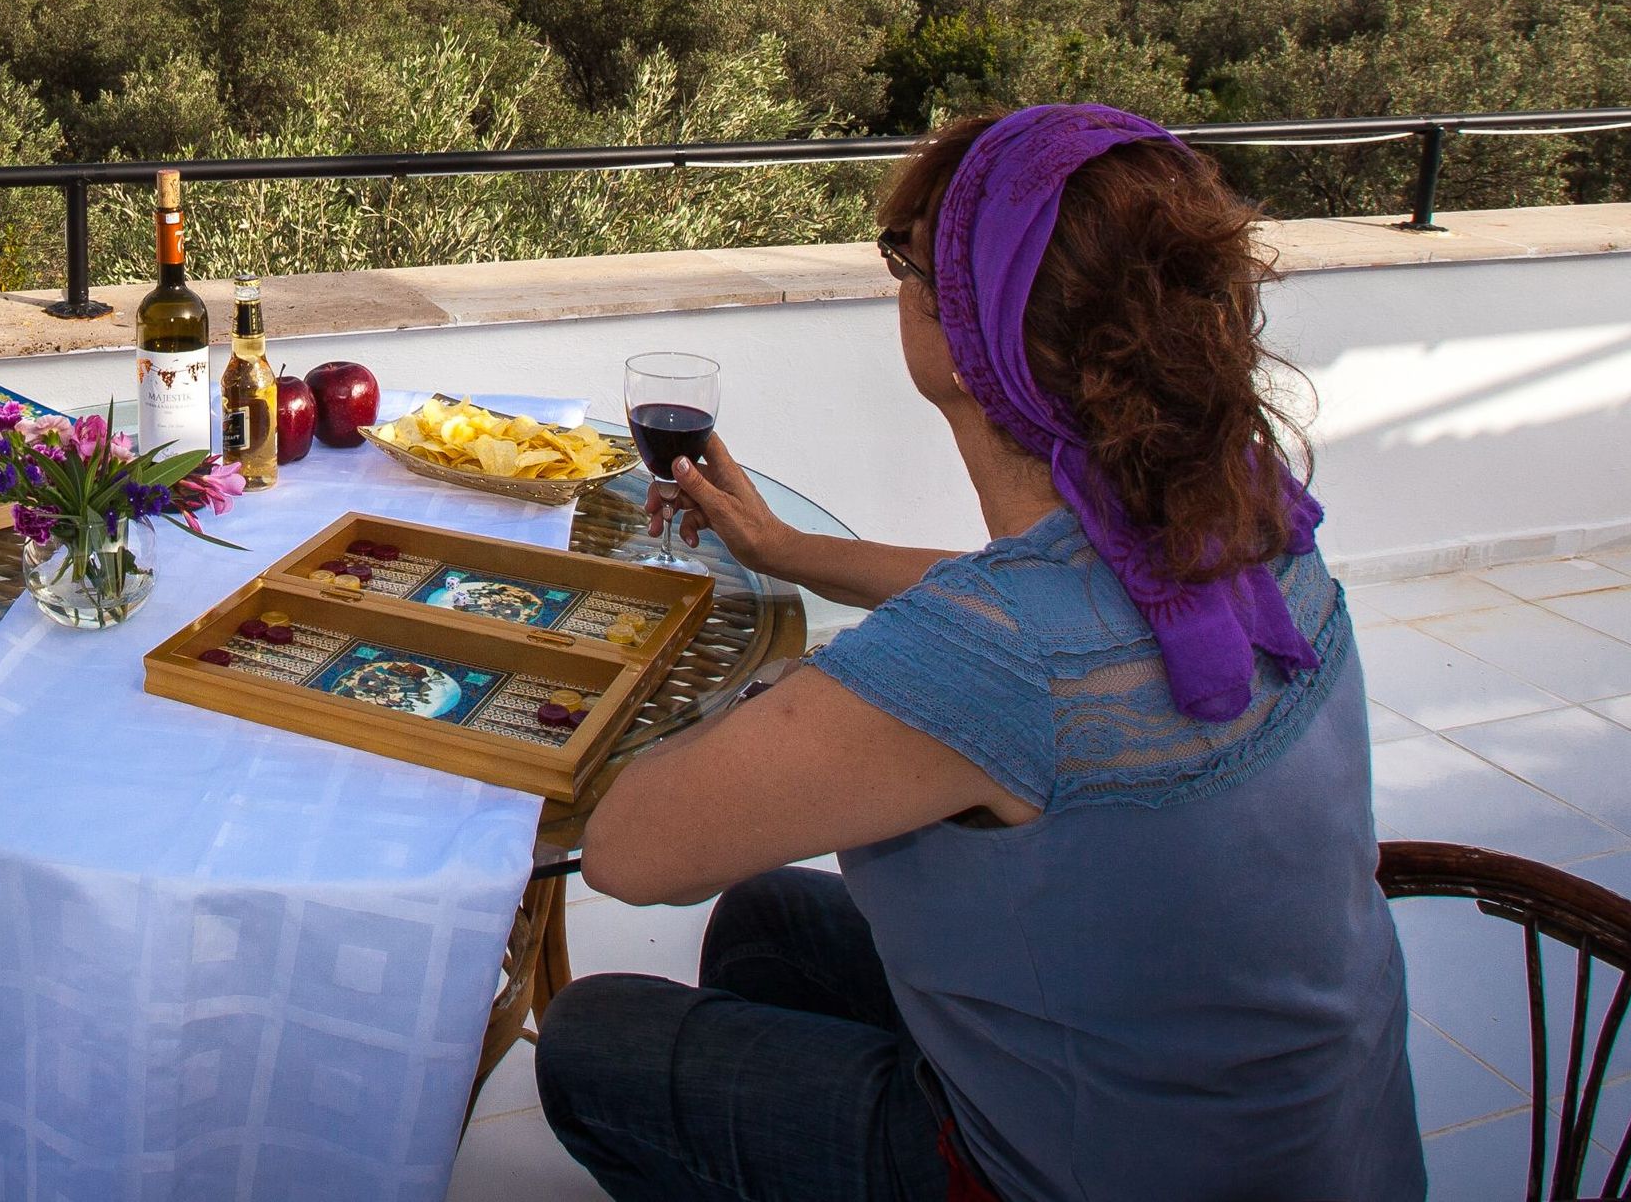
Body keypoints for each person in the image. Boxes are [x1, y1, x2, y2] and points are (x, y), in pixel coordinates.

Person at [535, 105, 1422, 1202]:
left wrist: (799, 690)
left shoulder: (992, 662)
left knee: (590, 1036)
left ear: (971, 326)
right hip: (1304, 1144)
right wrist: (788, 551)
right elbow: (1061, 616)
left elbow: (627, 854)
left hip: (1095, 1178)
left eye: (908, 262)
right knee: (768, 918)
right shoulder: (1246, 521)